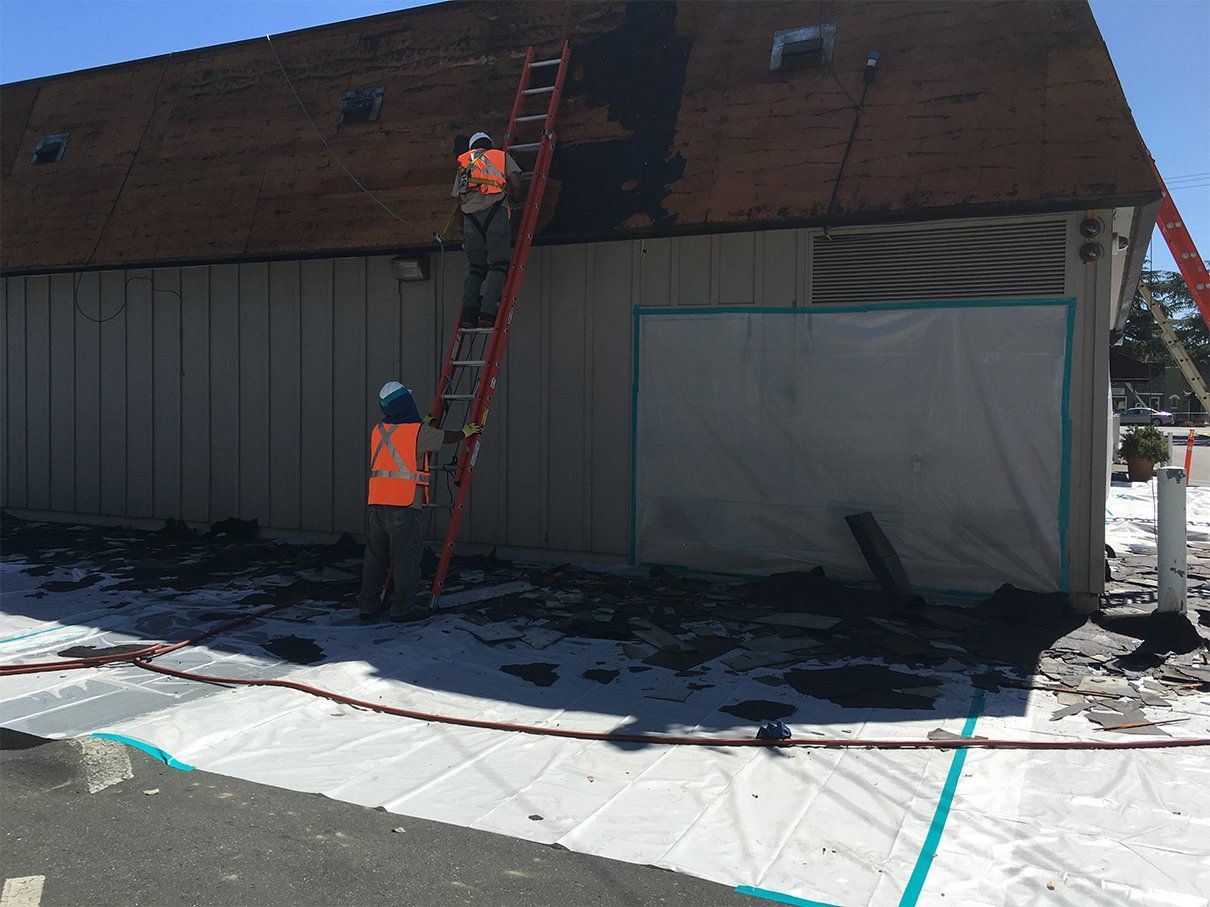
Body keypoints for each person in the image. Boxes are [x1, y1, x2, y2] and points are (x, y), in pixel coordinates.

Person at [358, 381, 481, 621]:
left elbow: (401, 442)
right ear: (405, 403)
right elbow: (445, 437)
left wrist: (422, 425)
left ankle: (367, 605)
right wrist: (465, 432)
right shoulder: (418, 433)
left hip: (377, 503)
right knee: (406, 559)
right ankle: (402, 609)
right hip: (403, 506)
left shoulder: (379, 429)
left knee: (374, 557)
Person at [452, 131, 522, 328]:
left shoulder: (464, 166)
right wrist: (516, 197)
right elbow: (516, 182)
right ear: (489, 144)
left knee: (476, 268)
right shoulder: (499, 157)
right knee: (498, 265)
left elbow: (457, 204)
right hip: (494, 216)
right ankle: (487, 314)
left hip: (470, 222)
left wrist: (464, 231)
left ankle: (468, 314)